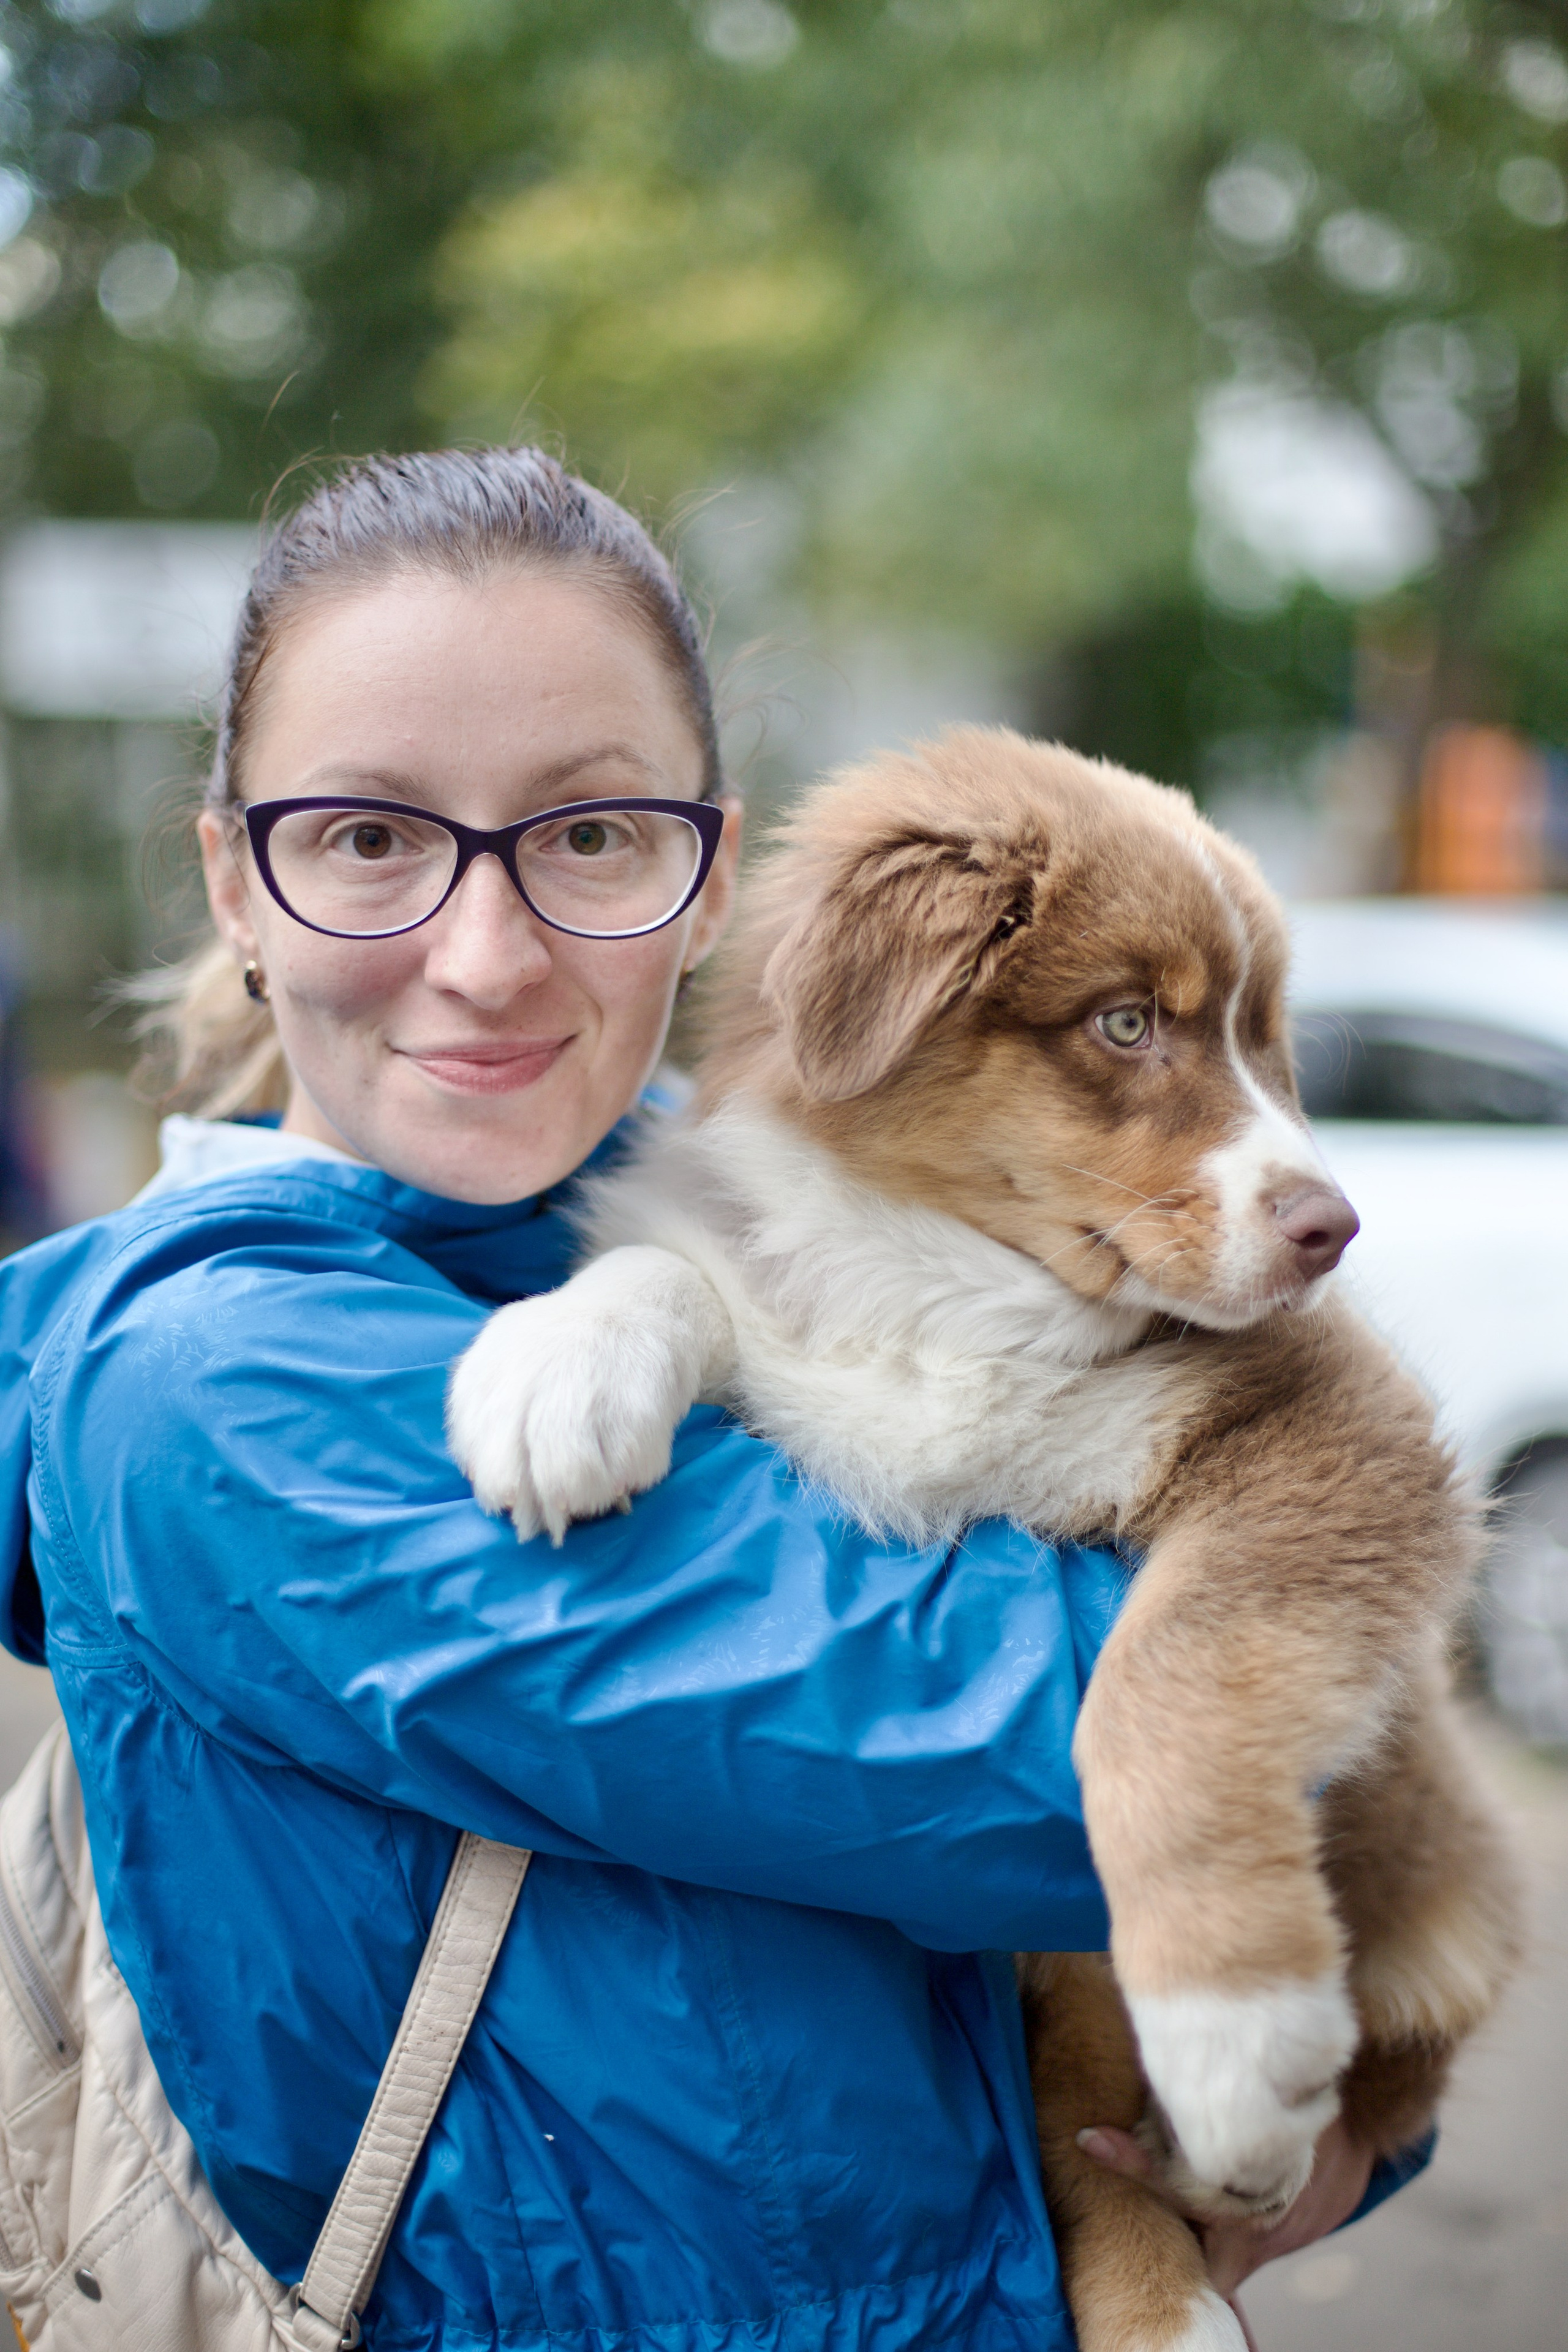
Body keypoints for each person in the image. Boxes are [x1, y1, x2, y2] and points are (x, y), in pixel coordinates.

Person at [0, 450, 1425, 2352]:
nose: (486, 952)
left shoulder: (797, 1202)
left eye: (590, 838)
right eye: (364, 837)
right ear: (235, 880)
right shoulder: (214, 1390)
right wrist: (1299, 1666)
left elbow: (1344, 1880)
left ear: (712, 877)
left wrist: (1351, 2125)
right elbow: (1019, 1765)